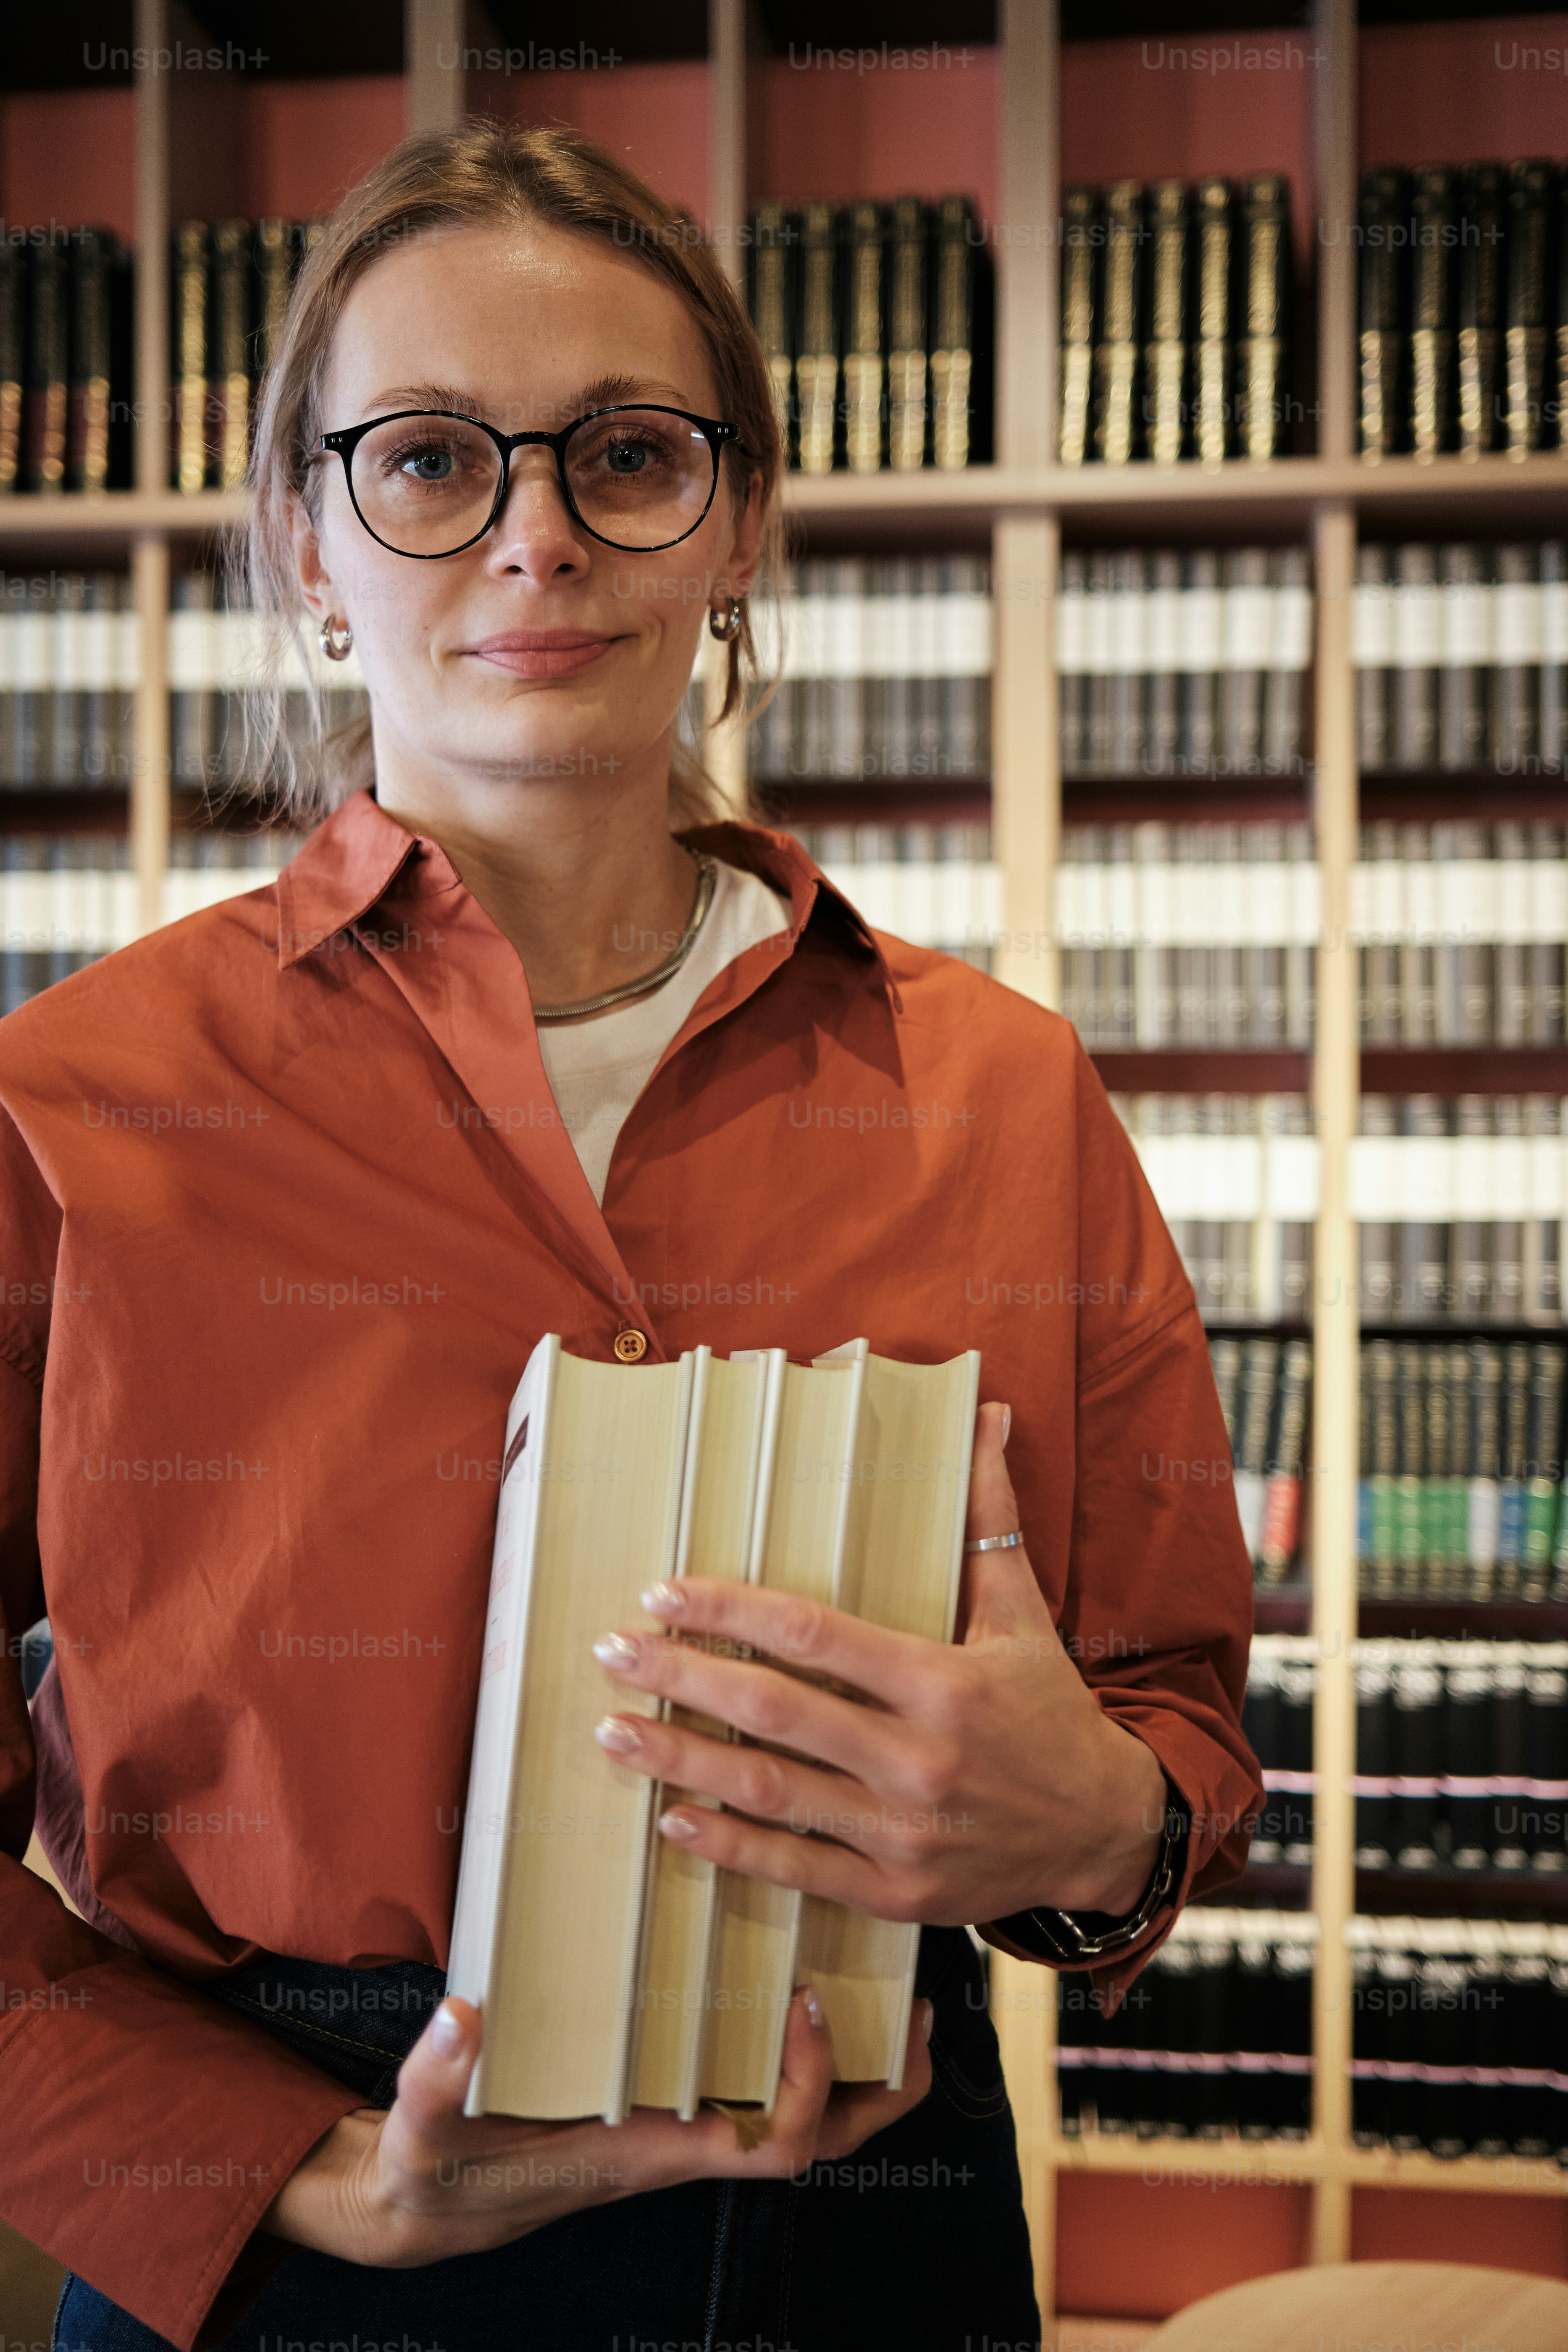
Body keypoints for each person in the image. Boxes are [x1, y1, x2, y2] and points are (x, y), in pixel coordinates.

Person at [0, 123, 1262, 2352]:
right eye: (426, 462)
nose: (537, 538)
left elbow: (1164, 1712)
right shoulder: (72, 1106)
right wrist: (258, 2170)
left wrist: (1084, 1835)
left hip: (877, 2208)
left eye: (625, 452)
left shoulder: (1001, 1087)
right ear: (306, 535)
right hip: (304, 2227)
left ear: (740, 518)